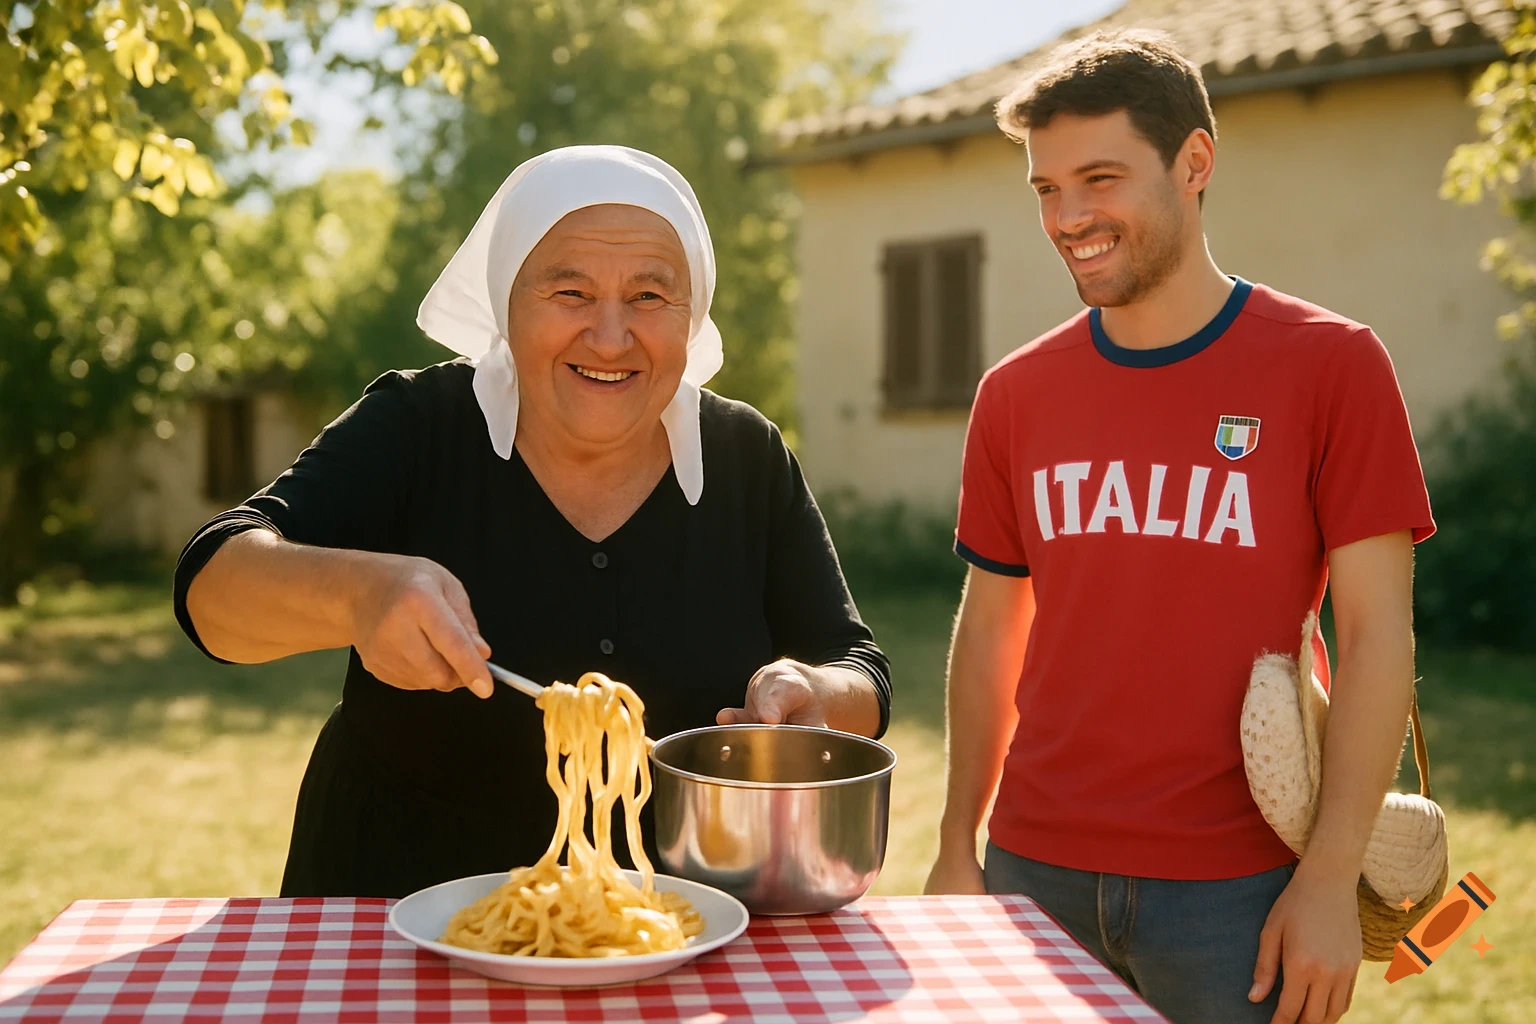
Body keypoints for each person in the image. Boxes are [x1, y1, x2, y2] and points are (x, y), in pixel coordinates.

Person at [175, 145, 891, 899]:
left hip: (664, 919)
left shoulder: (746, 455)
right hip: (391, 907)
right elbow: (211, 588)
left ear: (695, 313)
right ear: (506, 303)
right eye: (570, 293)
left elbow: (858, 669)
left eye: (650, 297)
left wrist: (814, 691)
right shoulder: (419, 425)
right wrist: (359, 595)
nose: (611, 337)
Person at [922, 30, 1433, 1024]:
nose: (1069, 217)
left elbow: (1377, 634)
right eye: (1045, 189)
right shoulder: (1014, 395)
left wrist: (1329, 880)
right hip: (1035, 872)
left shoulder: (1333, 366)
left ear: (1194, 163)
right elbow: (991, 628)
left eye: (1099, 178)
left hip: (1242, 890)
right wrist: (954, 842)